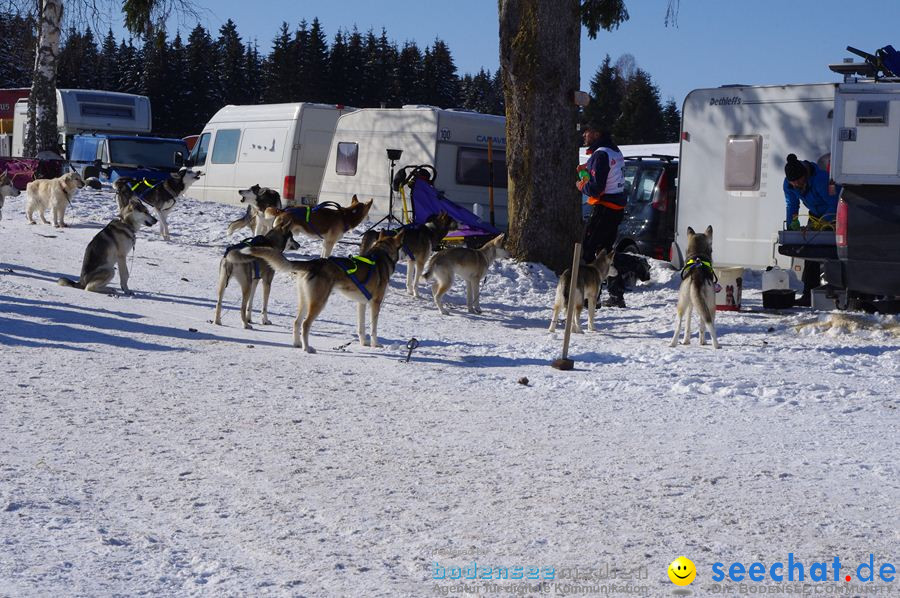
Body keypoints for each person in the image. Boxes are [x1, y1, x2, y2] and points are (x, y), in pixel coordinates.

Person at [577, 125, 628, 307]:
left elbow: (597, 188)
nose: (584, 134)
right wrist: (588, 169)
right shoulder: (614, 150)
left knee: (588, 250)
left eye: (587, 131)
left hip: (604, 208)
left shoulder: (600, 154)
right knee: (606, 253)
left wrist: (582, 185)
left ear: (597, 133)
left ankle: (590, 297)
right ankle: (616, 294)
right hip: (616, 208)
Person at [783, 153, 841, 306]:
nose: (796, 185)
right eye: (793, 182)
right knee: (811, 253)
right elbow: (792, 206)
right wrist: (791, 227)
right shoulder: (789, 184)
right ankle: (809, 293)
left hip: (833, 216)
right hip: (815, 215)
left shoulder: (822, 179)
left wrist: (821, 224)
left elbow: (834, 204)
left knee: (833, 252)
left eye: (798, 181)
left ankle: (837, 293)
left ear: (805, 175)